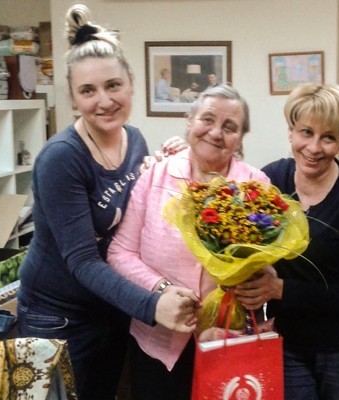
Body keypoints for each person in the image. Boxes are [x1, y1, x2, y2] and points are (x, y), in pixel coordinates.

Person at [16, 4, 199, 399]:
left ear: (131, 85)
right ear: (73, 98)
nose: (104, 101)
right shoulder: (62, 159)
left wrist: (176, 167)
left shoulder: (135, 140)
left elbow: (140, 226)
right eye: (88, 91)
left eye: (113, 85)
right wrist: (152, 305)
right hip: (59, 316)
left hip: (112, 306)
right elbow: (82, 260)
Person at [107, 84, 269, 400]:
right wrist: (162, 289)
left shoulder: (255, 186)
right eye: (207, 119)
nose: (216, 133)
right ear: (189, 121)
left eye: (230, 127)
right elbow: (120, 252)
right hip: (157, 340)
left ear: (240, 139)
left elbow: (264, 259)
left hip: (228, 337)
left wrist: (264, 276)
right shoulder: (155, 176)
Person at [234, 83, 339, 400]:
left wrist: (280, 289)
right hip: (289, 341)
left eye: (328, 137)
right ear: (291, 132)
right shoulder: (271, 180)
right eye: (306, 132)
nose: (314, 147)